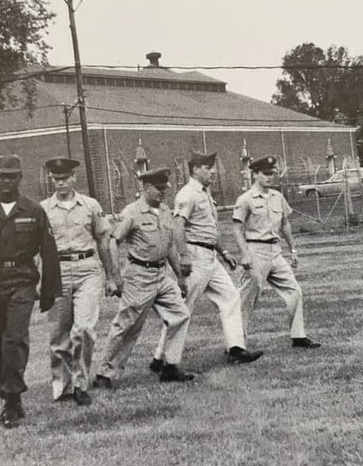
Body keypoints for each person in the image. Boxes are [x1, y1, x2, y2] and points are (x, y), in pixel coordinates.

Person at [0, 155, 62, 428]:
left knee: (15, 338)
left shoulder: (33, 211)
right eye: (3, 176)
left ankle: (12, 400)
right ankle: (9, 396)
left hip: (23, 280)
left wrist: (48, 292)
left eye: (13, 176)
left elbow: (49, 252)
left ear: (20, 178)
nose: (7, 181)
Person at [151, 151, 262, 370]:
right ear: (195, 169)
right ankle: (160, 358)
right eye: (207, 167)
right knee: (182, 309)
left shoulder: (204, 192)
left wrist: (223, 252)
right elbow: (178, 227)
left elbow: (207, 230)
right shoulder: (187, 194)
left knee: (231, 297)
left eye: (212, 167)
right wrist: (183, 256)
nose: (212, 171)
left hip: (210, 256)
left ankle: (236, 349)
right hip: (195, 257)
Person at [94, 168, 194, 389]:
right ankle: (105, 373)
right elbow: (112, 242)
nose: (163, 193)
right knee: (127, 325)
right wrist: (115, 276)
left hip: (161, 275)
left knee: (180, 315)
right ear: (144, 188)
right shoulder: (131, 212)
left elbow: (168, 247)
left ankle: (169, 366)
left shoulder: (166, 211)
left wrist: (179, 277)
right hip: (138, 276)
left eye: (164, 188)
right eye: (158, 189)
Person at [40, 157, 117, 407]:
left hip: (87, 269)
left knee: (83, 329)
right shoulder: (43, 209)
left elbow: (104, 241)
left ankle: (81, 384)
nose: (60, 183)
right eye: (56, 178)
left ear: (74, 177)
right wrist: (39, 278)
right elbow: (36, 248)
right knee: (59, 333)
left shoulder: (90, 205)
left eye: (65, 178)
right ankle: (62, 386)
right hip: (57, 270)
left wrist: (112, 275)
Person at [232, 155, 321, 349]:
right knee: (246, 298)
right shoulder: (245, 199)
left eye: (272, 174)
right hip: (255, 250)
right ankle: (236, 345)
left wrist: (293, 249)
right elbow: (237, 228)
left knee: (294, 291)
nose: (269, 177)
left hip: (275, 251)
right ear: (255, 174)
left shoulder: (277, 197)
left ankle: (298, 336)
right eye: (265, 173)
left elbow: (285, 224)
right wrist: (245, 254)